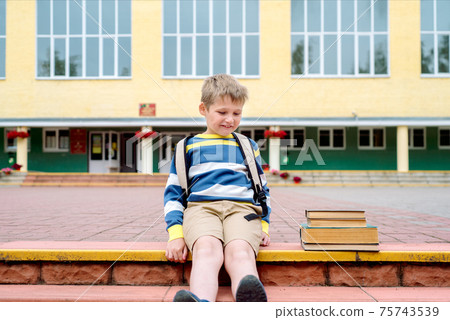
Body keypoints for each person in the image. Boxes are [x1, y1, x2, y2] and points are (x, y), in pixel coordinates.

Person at [164, 74, 271, 302]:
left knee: (240, 251)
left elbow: (262, 189)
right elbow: (174, 194)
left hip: (243, 210)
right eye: (222, 112)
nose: (230, 119)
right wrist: (176, 234)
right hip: (201, 209)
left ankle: (249, 301)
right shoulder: (186, 147)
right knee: (206, 250)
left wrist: (264, 224)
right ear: (203, 109)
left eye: (237, 113)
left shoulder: (247, 145)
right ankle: (201, 303)